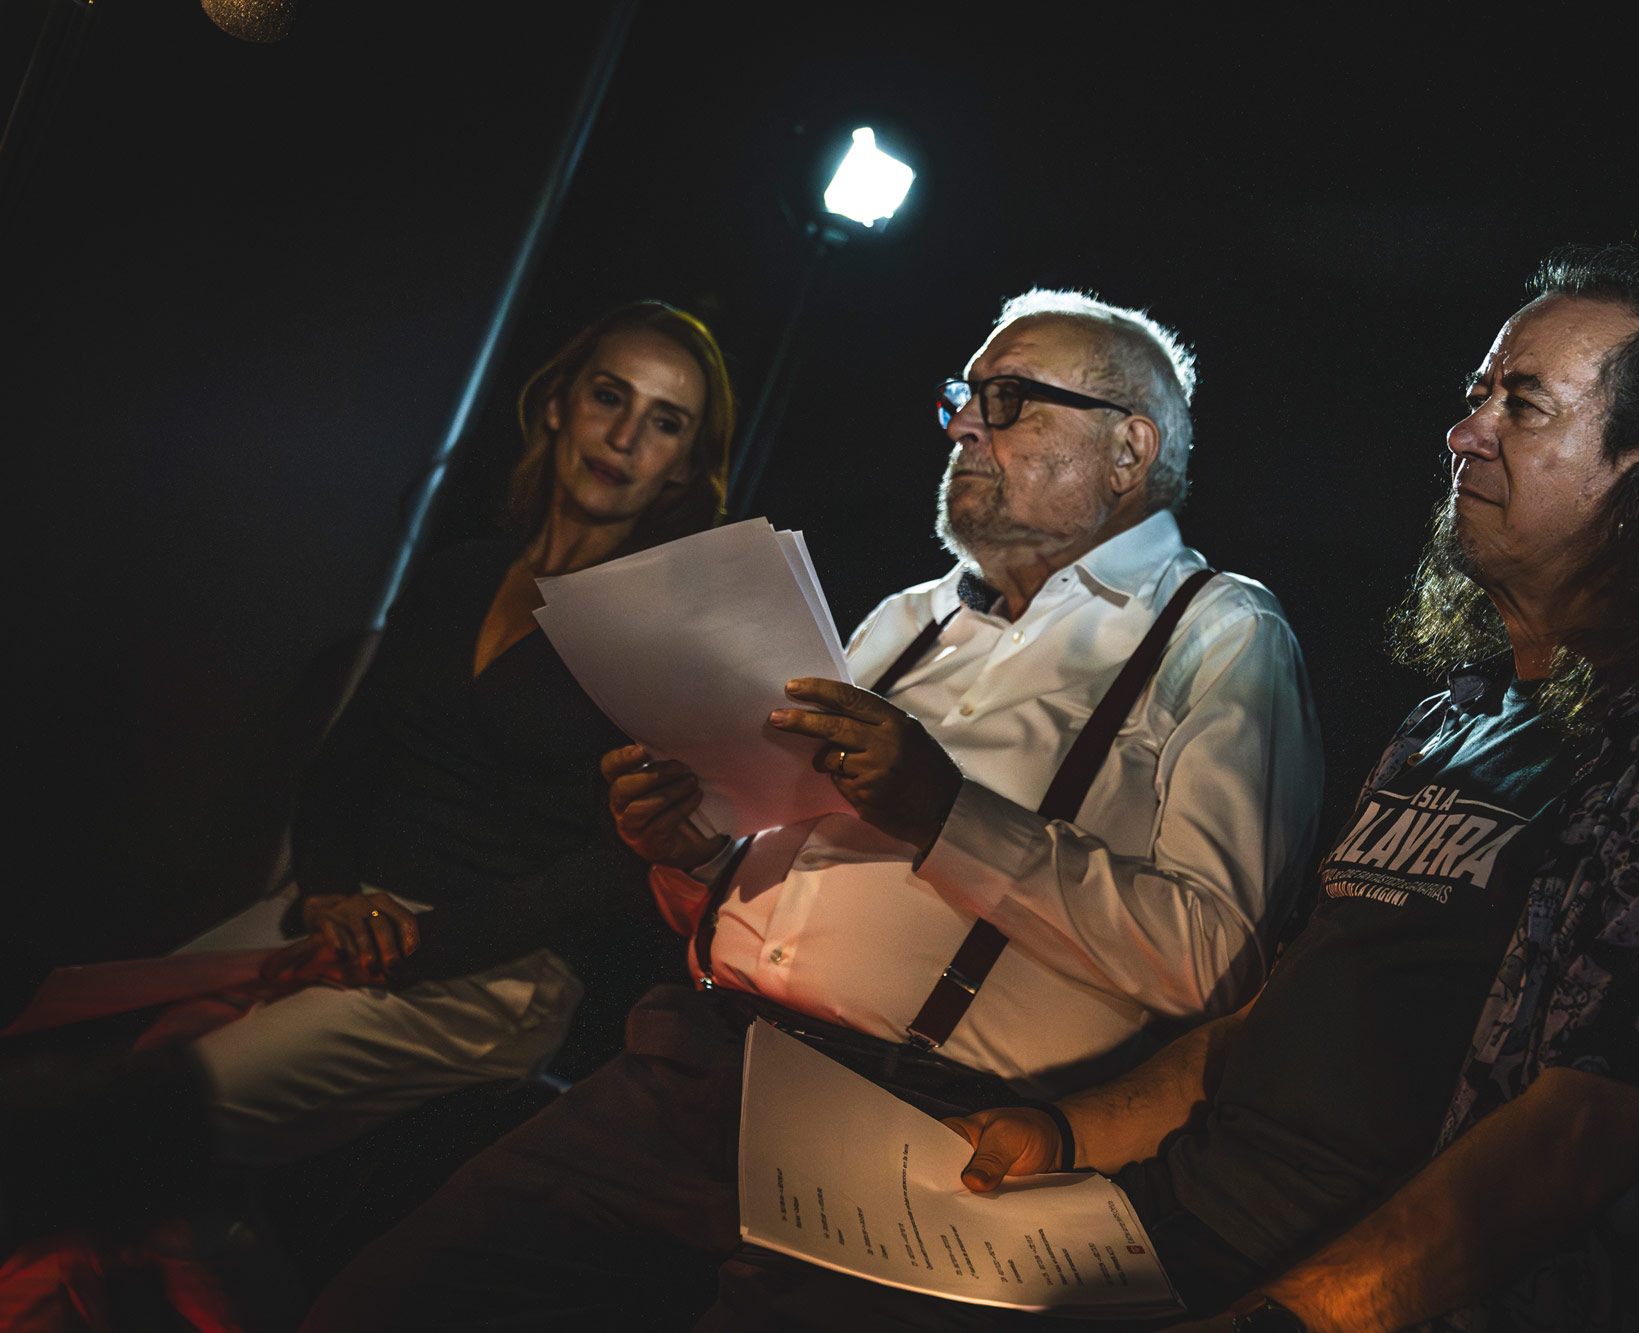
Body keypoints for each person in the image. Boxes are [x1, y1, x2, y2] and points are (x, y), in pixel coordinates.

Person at [303, 290, 1324, 1328]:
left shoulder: (1218, 634)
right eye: (960, 398)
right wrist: (683, 852)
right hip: (688, 1069)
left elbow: (1217, 959)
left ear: (1128, 448)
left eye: (1007, 398)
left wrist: (947, 814)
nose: (964, 423)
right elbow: (769, 856)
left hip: (919, 1136)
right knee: (382, 1301)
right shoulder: (906, 618)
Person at [930, 245, 1639, 1332]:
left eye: (1522, 404)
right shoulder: (1446, 723)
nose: (1463, 432)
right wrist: (1068, 1130)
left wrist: (1287, 1319)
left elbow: (1574, 1142)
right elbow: (1273, 1020)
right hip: (1159, 1226)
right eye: (1473, 398)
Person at [189, 300, 738, 1167]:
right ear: (557, 403)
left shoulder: (658, 636)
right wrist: (330, 894)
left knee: (171, 1099)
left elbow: (614, 869)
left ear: (681, 467)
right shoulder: (461, 574)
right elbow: (347, 757)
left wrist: (418, 946)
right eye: (609, 396)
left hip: (488, 974)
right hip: (346, 910)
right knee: (94, 1033)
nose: (625, 435)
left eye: (664, 422)